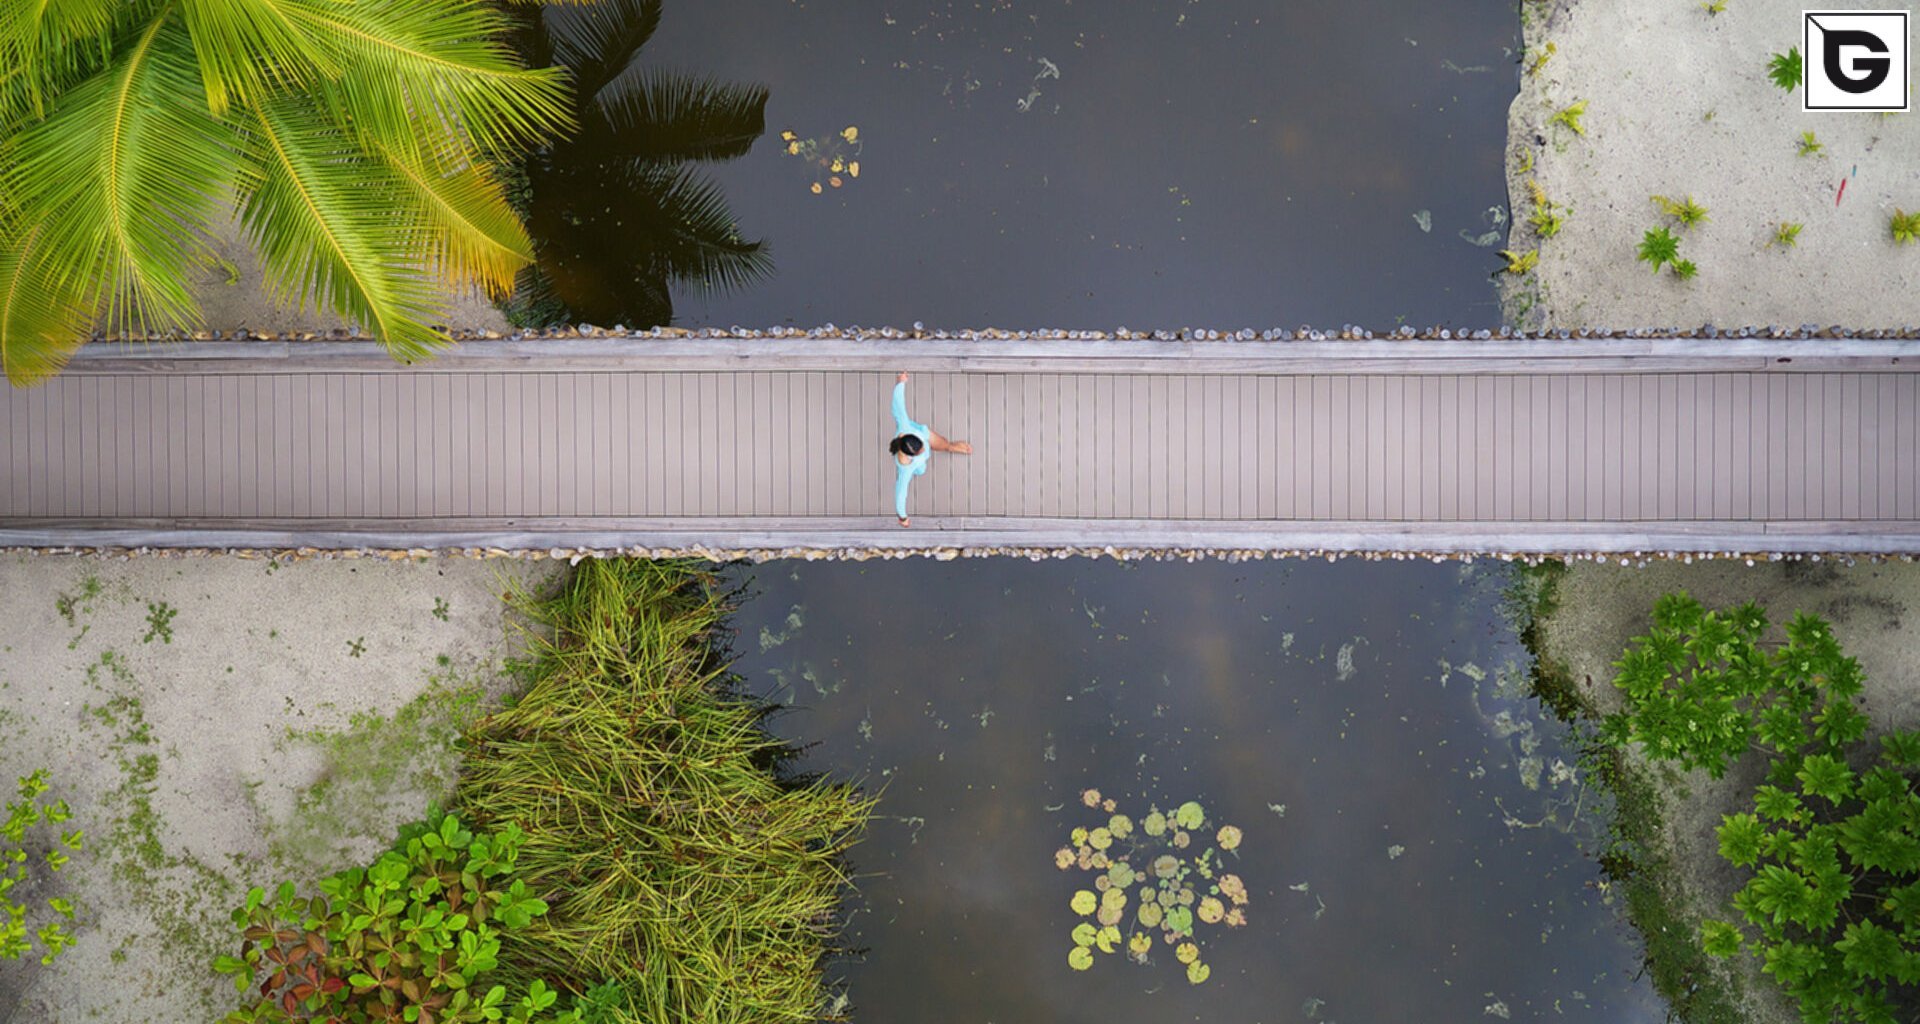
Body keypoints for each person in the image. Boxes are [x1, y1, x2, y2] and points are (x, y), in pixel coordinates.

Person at [889, 372, 971, 527]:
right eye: (921, 450)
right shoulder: (906, 469)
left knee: (944, 444)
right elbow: (900, 494)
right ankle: (945, 448)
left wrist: (900, 383)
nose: (924, 449)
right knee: (921, 470)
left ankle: (950, 447)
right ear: (911, 455)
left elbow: (898, 404)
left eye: (922, 446)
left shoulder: (905, 427)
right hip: (918, 466)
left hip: (924, 434)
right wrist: (902, 517)